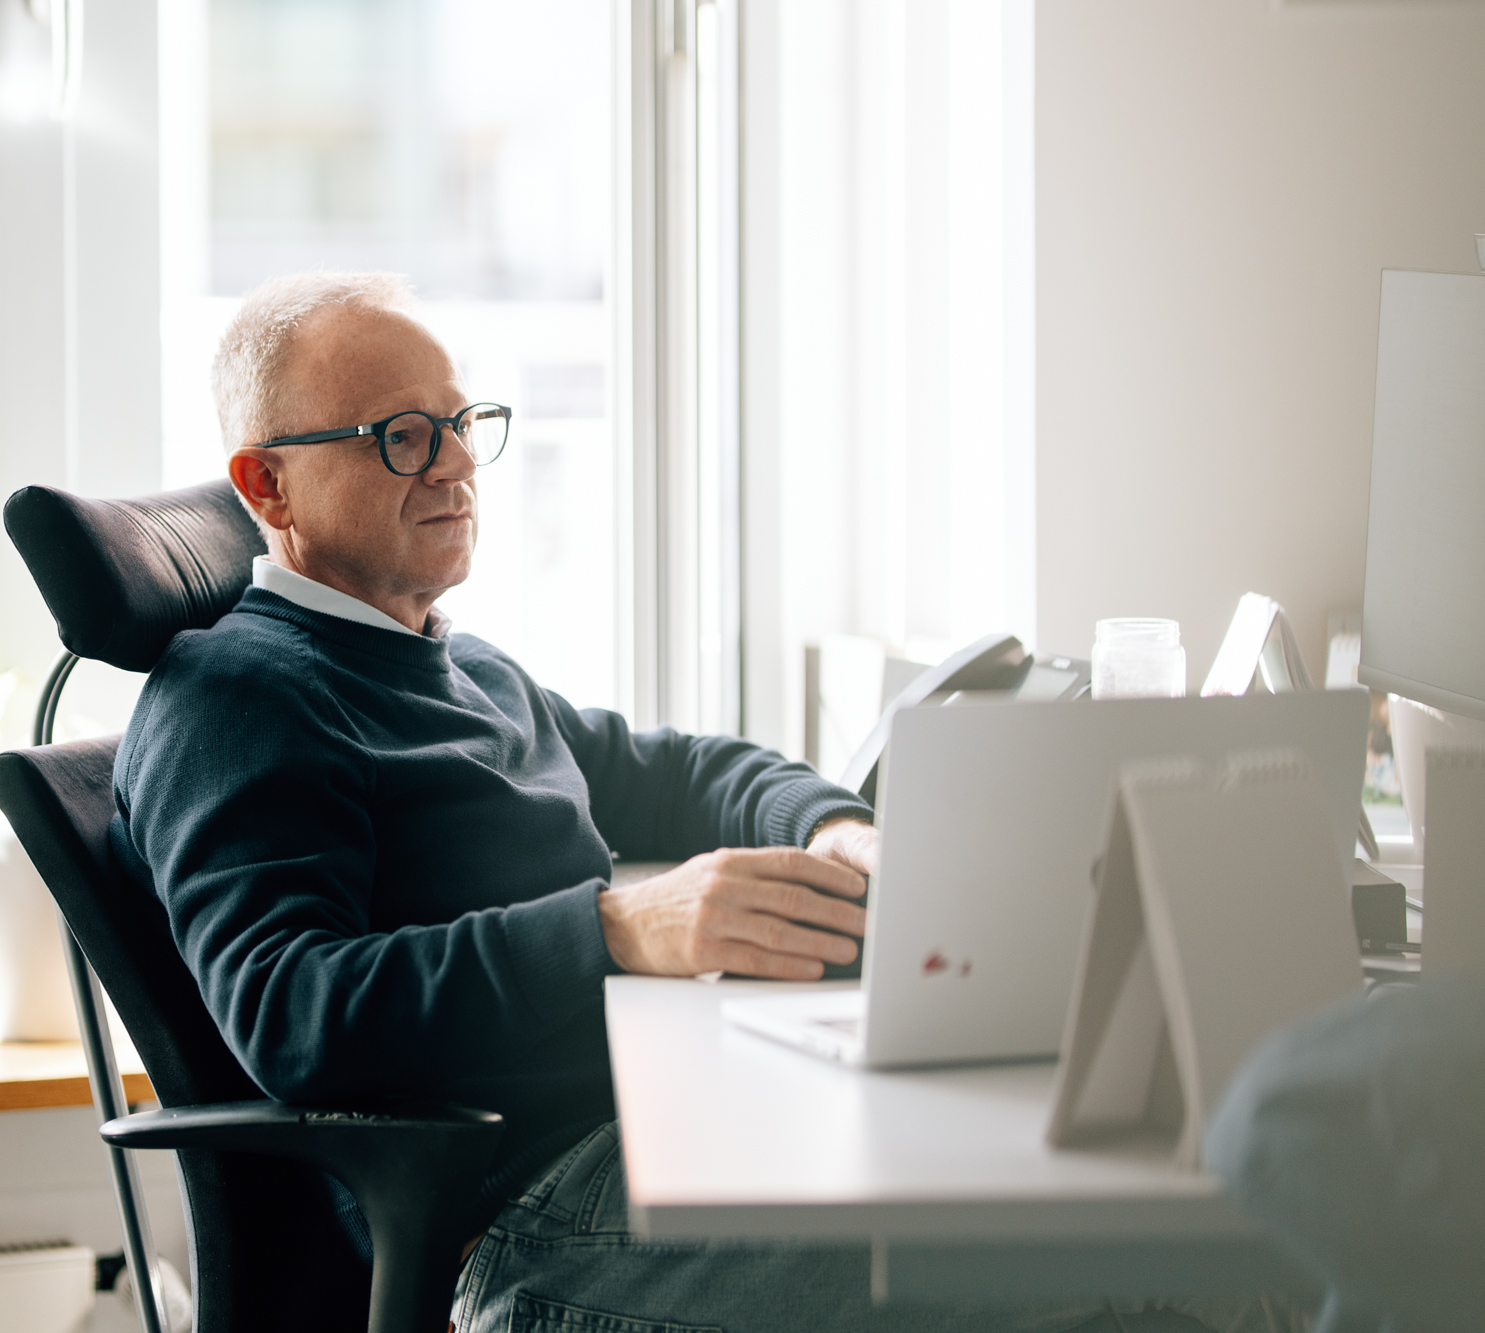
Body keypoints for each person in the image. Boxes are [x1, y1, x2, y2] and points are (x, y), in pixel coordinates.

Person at [111, 272, 1261, 1333]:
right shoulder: (238, 699)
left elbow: (682, 769)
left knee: (1137, 1171)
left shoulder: (453, 663)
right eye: (401, 439)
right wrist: (618, 930)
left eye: (462, 424)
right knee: (1147, 1247)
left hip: (659, 1123)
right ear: (266, 484)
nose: (454, 464)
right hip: (522, 1223)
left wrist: (835, 826)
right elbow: (289, 1010)